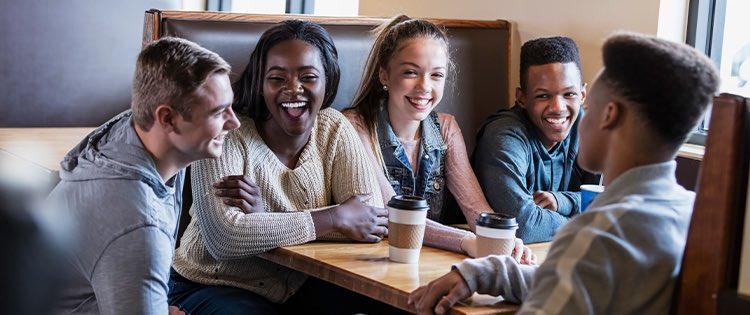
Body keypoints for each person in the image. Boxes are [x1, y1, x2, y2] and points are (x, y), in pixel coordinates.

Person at [409, 32, 719, 315]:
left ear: (609, 116)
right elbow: (583, 276)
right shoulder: (695, 214)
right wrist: (483, 273)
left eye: (587, 108)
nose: (576, 121)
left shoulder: (600, 234)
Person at [169, 20, 395, 314]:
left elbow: (370, 222)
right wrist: (336, 217)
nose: (293, 89)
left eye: (309, 77)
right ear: (260, 85)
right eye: (277, 79)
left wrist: (266, 219)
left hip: (302, 283)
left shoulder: (335, 129)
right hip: (215, 282)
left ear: (327, 83)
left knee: (401, 305)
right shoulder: (223, 132)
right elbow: (224, 239)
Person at [48, 37, 240, 313]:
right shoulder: (138, 224)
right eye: (219, 112)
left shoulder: (138, 134)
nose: (234, 122)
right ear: (168, 119)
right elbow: (138, 237)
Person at [344, 15, 534, 261]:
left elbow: (475, 208)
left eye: (436, 75)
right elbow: (394, 216)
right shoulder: (355, 126)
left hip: (428, 264)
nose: (424, 86)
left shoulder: (446, 128)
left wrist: (504, 240)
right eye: (411, 72)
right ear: (384, 75)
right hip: (371, 264)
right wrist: (468, 242)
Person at [473, 36, 599, 243]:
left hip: (561, 255)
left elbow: (611, 202)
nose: (558, 107)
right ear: (521, 98)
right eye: (543, 96)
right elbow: (524, 224)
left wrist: (564, 201)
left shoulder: (589, 127)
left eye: (569, 94)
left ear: (583, 94)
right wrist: (586, 222)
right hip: (494, 258)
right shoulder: (503, 135)